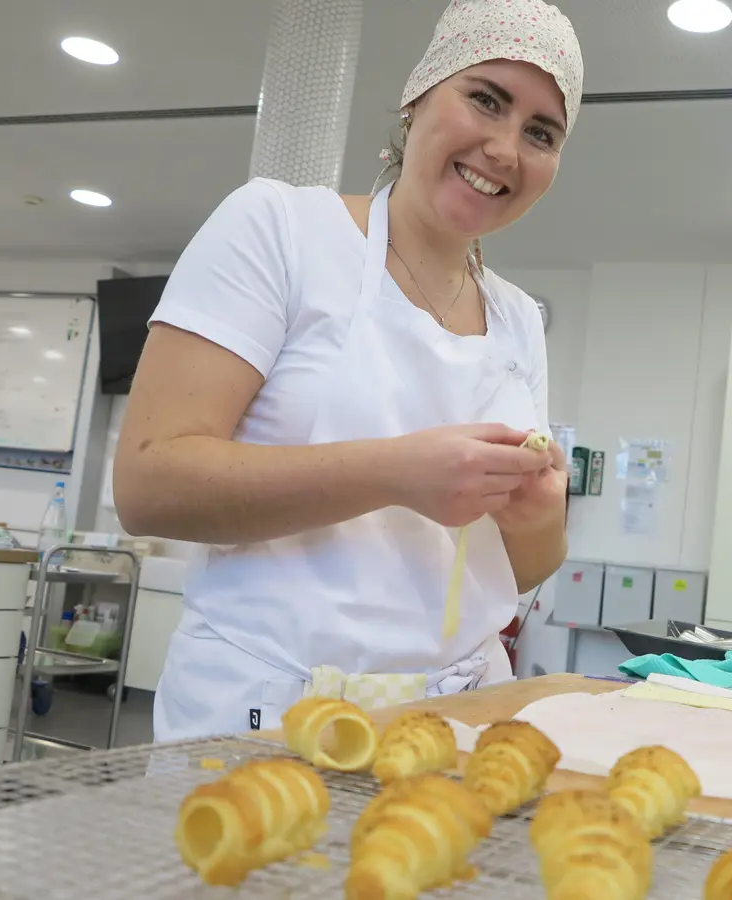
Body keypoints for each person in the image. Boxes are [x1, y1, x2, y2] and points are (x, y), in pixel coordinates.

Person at [113, 0, 584, 741]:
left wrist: (538, 516)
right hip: (268, 715)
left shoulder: (519, 320)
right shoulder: (281, 231)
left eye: (542, 132)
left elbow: (521, 572)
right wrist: (398, 473)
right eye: (485, 98)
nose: (504, 148)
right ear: (417, 96)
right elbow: (149, 486)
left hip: (457, 719)